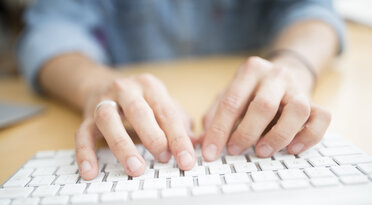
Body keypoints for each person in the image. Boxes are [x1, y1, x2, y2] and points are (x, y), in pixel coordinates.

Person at [17, 0, 344, 180]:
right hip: (129, 123)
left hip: (253, 124)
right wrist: (94, 86)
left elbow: (313, 12)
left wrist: (293, 67)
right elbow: (50, 29)